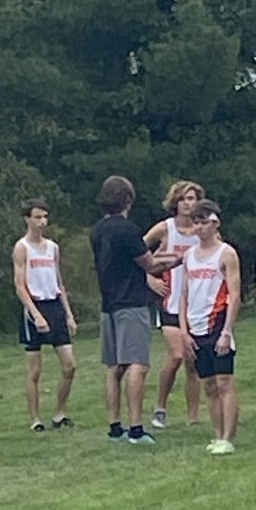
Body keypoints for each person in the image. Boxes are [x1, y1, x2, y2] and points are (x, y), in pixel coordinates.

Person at [90, 175, 180, 444]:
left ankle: (115, 427)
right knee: (138, 365)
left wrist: (162, 257)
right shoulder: (127, 230)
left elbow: (137, 259)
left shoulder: (98, 230)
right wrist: (174, 262)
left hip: (108, 304)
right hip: (132, 303)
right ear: (127, 199)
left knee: (114, 366)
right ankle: (137, 428)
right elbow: (150, 265)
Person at [179, 199, 241, 455]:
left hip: (217, 323)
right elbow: (182, 294)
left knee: (224, 381)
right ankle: (217, 435)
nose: (199, 227)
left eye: (204, 221)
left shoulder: (226, 253)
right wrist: (183, 331)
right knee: (208, 385)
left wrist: (227, 331)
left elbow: (234, 294)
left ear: (215, 223)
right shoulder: (188, 257)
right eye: (195, 222)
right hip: (195, 326)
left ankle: (228, 436)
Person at [12, 198, 78, 432]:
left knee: (70, 366)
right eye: (37, 217)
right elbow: (20, 285)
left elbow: (59, 281)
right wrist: (35, 314)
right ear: (27, 219)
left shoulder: (52, 247)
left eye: (44, 217)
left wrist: (68, 314)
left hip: (55, 306)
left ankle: (59, 413)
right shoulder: (22, 248)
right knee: (35, 370)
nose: (42, 222)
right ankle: (35, 419)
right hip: (35, 306)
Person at [143, 180, 205, 429]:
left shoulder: (203, 230)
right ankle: (160, 407)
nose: (188, 204)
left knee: (193, 361)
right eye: (184, 199)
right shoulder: (165, 229)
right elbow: (136, 253)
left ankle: (193, 417)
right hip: (169, 301)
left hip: (196, 303)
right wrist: (149, 279)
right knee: (177, 355)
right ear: (175, 203)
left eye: (192, 199)